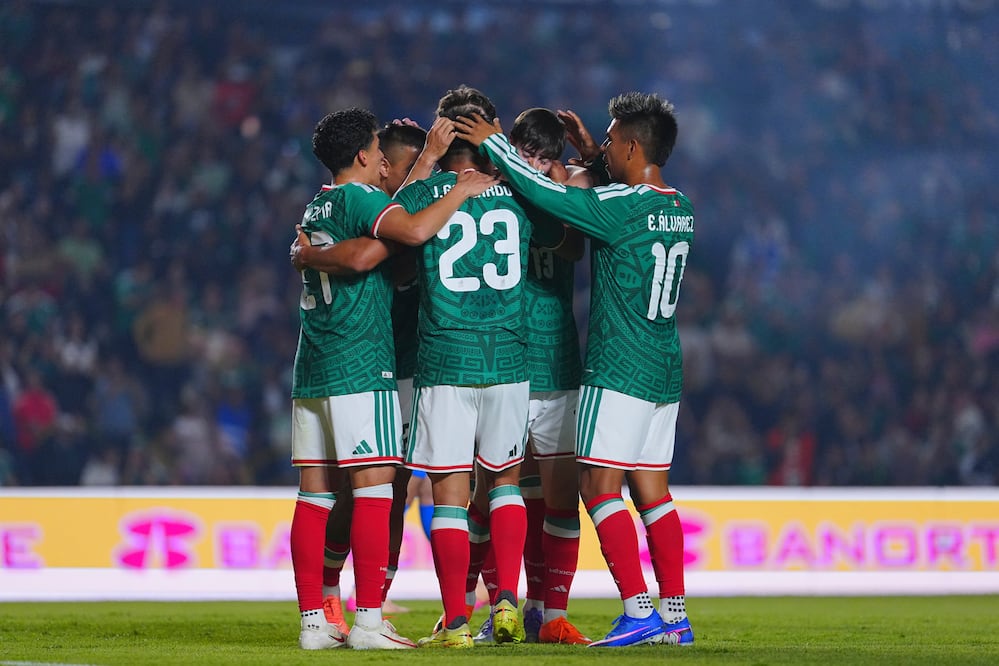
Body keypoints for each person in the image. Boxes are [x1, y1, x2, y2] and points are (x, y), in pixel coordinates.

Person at [455, 91, 696, 647]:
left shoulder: (619, 210)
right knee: (654, 494)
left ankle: (638, 610)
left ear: (634, 145)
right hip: (665, 367)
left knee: (598, 487)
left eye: (611, 139)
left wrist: (492, 139)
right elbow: (612, 190)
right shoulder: (678, 206)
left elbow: (544, 190)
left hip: (620, 366)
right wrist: (598, 159)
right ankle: (675, 617)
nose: (601, 144)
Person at [289, 107, 496, 651]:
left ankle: (314, 622)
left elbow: (369, 251)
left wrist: (315, 253)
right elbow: (413, 228)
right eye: (378, 149)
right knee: (376, 491)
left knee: (314, 498)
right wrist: (460, 190)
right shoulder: (361, 198)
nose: (384, 158)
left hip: (313, 365)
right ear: (362, 156)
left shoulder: (318, 203)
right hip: (361, 364)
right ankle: (368, 622)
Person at [393, 86, 559, 649]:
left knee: (449, 495)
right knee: (507, 484)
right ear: (490, 133)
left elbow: (389, 227)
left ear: (445, 132)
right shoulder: (516, 192)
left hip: (444, 358)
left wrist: (425, 160)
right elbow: (558, 231)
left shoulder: (431, 192)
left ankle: (457, 622)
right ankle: (507, 599)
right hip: (509, 357)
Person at [466, 108, 594, 646]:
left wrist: (583, 161)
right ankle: (486, 608)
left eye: (548, 158)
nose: (538, 166)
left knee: (559, 499)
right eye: (529, 155)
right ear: (512, 147)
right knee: (493, 495)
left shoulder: (562, 195)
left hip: (558, 363)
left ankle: (550, 613)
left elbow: (571, 245)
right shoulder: (490, 191)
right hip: (506, 364)